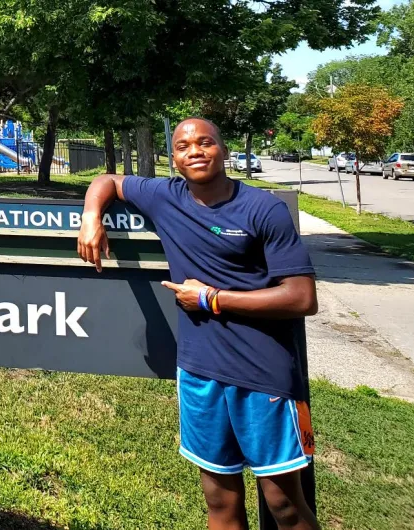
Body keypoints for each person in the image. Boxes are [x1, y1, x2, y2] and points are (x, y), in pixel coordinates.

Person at [77, 118, 320, 530]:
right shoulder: (165, 196)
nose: (195, 151)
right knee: (219, 501)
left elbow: (302, 297)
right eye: (184, 146)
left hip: (264, 377)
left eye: (206, 143)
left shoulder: (263, 209)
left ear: (223, 151)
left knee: (284, 505)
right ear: (173, 158)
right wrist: (90, 217)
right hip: (199, 373)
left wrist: (212, 298)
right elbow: (108, 180)